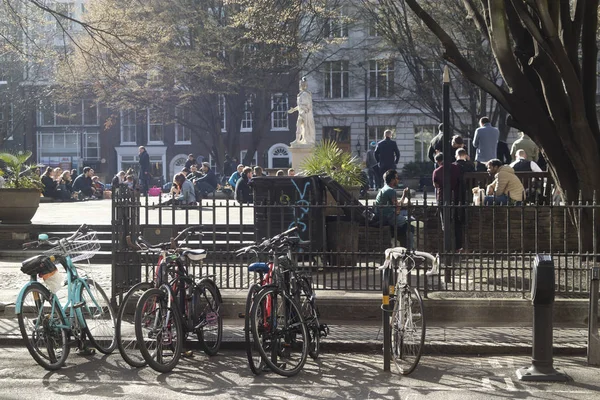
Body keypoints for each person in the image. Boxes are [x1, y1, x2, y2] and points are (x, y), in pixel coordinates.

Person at [374, 169, 413, 249]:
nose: (398, 180)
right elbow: (397, 209)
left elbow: (397, 205)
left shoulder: (384, 189)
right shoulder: (390, 191)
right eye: (397, 178)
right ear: (392, 180)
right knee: (410, 226)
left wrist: (403, 195)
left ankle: (404, 245)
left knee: (407, 215)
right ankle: (410, 249)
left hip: (384, 215)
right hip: (389, 217)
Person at [432, 153, 463, 249]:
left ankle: (447, 247)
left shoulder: (437, 171)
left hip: (443, 198)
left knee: (445, 223)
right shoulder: (456, 168)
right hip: (456, 197)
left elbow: (435, 185)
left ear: (438, 161)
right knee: (457, 222)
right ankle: (458, 247)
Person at [288, 77, 316, 145]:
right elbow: (300, 105)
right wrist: (294, 109)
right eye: (300, 84)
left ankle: (306, 140)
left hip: (305, 113)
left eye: (301, 84)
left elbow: (308, 105)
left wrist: (305, 110)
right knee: (298, 126)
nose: (300, 85)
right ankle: (297, 140)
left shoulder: (305, 94)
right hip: (301, 113)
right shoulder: (300, 94)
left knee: (305, 127)